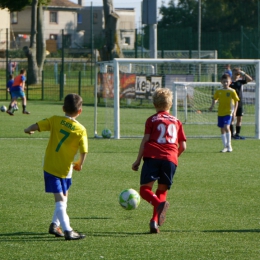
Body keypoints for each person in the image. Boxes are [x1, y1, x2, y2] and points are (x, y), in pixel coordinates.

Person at [24, 93, 88, 240]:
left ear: (63, 108)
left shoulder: (54, 120)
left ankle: (54, 225)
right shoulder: (81, 129)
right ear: (80, 111)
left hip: (50, 166)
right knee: (60, 199)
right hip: (66, 168)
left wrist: (28, 129)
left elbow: (37, 125)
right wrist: (80, 163)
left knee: (63, 199)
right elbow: (84, 150)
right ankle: (68, 230)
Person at [132, 88, 187, 233]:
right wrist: (173, 157)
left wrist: (137, 160)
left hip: (153, 157)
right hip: (170, 159)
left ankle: (158, 205)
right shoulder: (177, 121)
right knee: (162, 191)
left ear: (154, 104)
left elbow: (145, 140)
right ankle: (154, 222)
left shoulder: (152, 119)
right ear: (170, 104)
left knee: (145, 191)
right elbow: (183, 146)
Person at [209, 74, 239, 152]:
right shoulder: (219, 91)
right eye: (224, 81)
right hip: (220, 112)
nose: (225, 83)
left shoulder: (232, 91)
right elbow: (215, 98)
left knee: (226, 127)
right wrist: (212, 106)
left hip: (229, 112)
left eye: (227, 82)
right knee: (222, 129)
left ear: (230, 82)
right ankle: (225, 146)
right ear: (221, 82)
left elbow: (236, 101)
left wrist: (234, 112)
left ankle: (229, 145)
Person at [230, 67, 253, 139]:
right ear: (232, 73)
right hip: (232, 102)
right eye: (235, 72)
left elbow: (250, 79)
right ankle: (231, 135)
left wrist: (243, 73)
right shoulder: (229, 82)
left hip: (239, 102)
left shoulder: (240, 81)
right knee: (232, 118)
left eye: (238, 73)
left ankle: (237, 134)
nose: (237, 74)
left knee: (239, 118)